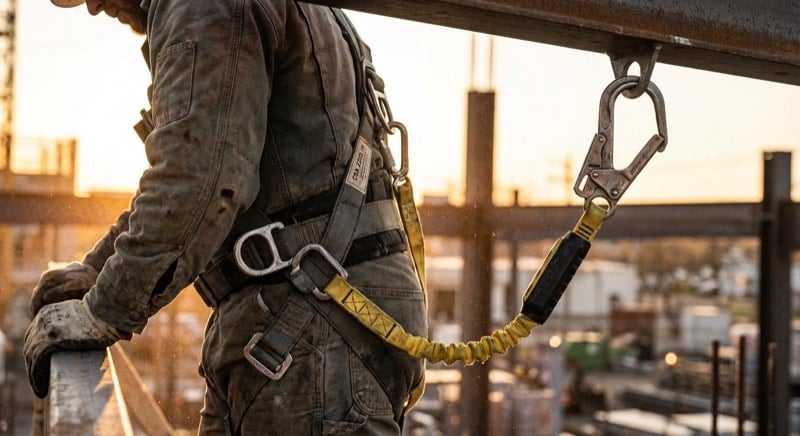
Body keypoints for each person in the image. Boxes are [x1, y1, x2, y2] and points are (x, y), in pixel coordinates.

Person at [23, 0, 427, 434]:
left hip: (312, 330)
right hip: (311, 319)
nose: (92, 7)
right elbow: (199, 169)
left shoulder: (207, 6)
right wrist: (98, 270)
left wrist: (106, 309)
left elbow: (199, 179)